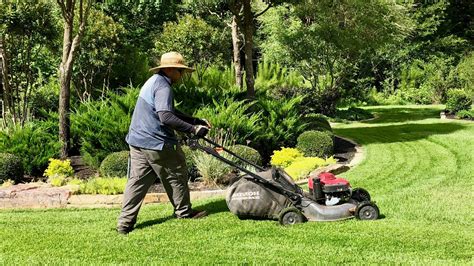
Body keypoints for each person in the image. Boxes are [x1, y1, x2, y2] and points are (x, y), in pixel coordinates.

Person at [116, 52, 211, 234]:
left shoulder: (153, 81)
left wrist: (194, 120)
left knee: (137, 182)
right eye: (179, 71)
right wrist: (193, 130)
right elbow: (166, 116)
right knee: (177, 171)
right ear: (169, 69)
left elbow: (169, 110)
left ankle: (124, 224)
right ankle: (184, 212)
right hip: (156, 141)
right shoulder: (163, 86)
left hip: (137, 141)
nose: (181, 75)